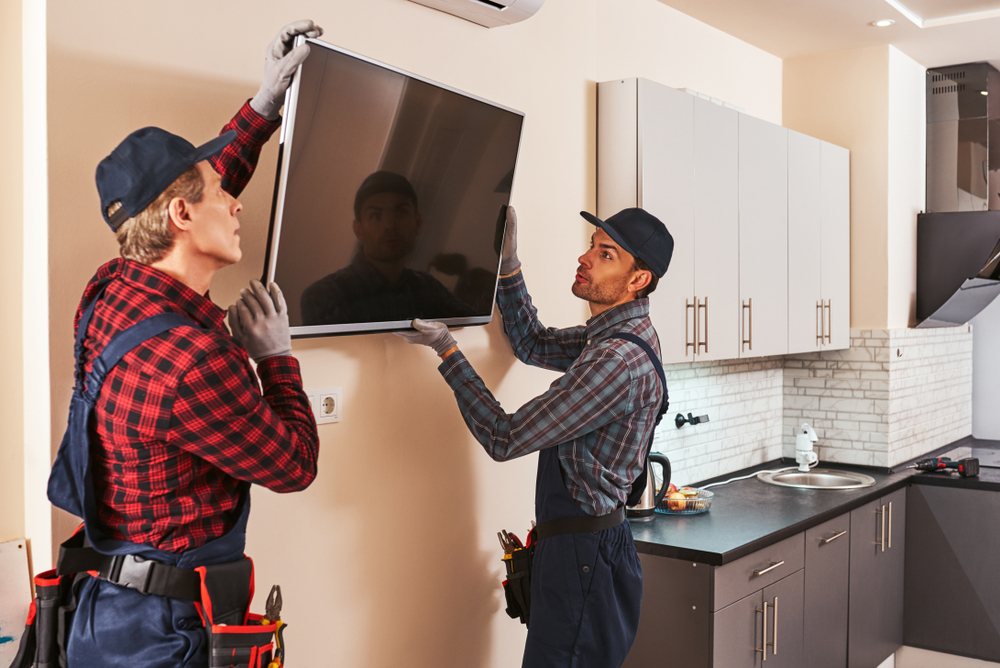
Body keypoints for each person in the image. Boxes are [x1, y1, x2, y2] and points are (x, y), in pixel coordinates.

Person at [41, 21, 323, 668]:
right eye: (223, 195)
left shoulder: (110, 290)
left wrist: (265, 102)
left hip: (106, 610)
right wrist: (275, 358)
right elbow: (295, 464)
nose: (236, 203)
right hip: (167, 636)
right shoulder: (193, 363)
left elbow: (201, 186)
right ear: (181, 217)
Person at [396, 205, 673, 668]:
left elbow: (506, 438)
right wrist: (509, 268)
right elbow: (532, 343)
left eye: (606, 255)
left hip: (584, 559)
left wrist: (447, 351)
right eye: (591, 245)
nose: (586, 258)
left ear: (637, 280)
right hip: (578, 550)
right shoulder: (613, 335)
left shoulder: (616, 362)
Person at [300, 170, 478, 325]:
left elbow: (478, 325)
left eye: (400, 212)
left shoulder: (426, 286)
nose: (390, 225)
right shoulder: (324, 296)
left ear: (417, 223)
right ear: (359, 230)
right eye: (375, 216)